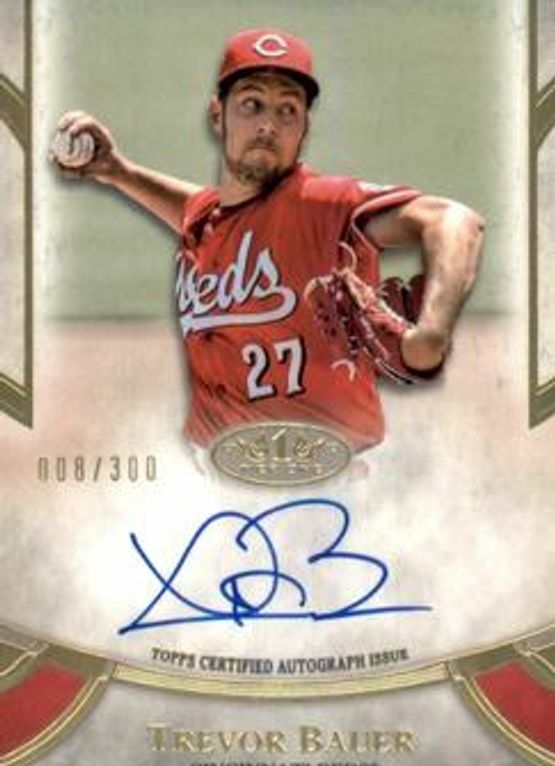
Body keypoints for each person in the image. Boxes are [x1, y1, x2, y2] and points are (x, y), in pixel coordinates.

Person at [52, 28, 484, 452]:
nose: (268, 125)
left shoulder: (323, 205)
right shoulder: (206, 217)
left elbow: (455, 220)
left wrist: (430, 337)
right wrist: (117, 171)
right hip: (212, 480)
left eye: (287, 111)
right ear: (217, 114)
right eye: (252, 104)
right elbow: (200, 209)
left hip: (336, 477)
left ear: (304, 129)